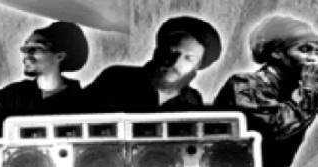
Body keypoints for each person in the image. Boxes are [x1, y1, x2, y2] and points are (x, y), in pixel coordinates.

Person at [213, 15, 318, 167]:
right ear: (276, 52)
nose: (314, 59)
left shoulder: (294, 92)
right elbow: (276, 129)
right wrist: (310, 90)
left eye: (317, 52)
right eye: (305, 49)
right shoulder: (245, 85)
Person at [0, 21, 89, 121]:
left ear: (59, 56)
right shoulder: (19, 94)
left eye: (35, 48)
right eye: (25, 48)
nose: (26, 55)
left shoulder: (81, 101)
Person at [83, 16, 221, 112]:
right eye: (173, 51)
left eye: (189, 58)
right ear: (158, 50)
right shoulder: (116, 78)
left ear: (197, 66)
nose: (175, 63)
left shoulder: (192, 100)